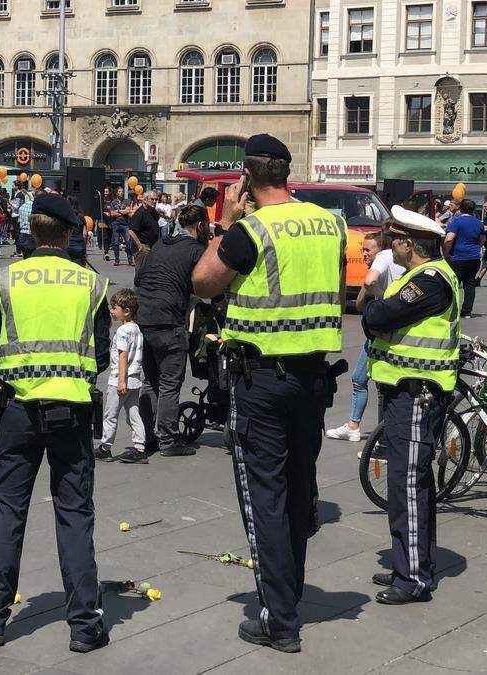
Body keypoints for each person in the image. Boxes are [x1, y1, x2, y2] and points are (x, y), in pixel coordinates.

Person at [190, 134, 345, 653]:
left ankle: (279, 619)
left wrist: (227, 222)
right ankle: (289, 597)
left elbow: (204, 283)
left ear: (248, 178)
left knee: (265, 498)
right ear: (289, 171)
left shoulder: (251, 229)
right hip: (314, 377)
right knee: (299, 491)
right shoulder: (331, 222)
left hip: (261, 379)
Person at [0, 193, 110, 653]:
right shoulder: (92, 284)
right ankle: (84, 625)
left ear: (32, 231)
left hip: (17, 410)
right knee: (74, 514)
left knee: (8, 512)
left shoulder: (5, 279)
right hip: (72, 412)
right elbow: (105, 352)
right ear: (69, 233)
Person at [363, 206, 460, 606]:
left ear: (407, 243)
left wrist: (372, 309)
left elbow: (380, 315)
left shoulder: (430, 280)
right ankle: (414, 563)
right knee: (412, 482)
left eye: (394, 240)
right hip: (410, 390)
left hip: (417, 392)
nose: (390, 246)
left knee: (408, 484)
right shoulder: (421, 276)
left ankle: (413, 577)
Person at [133, 202, 211, 457]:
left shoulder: (160, 244)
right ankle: (167, 440)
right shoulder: (196, 250)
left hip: (144, 317)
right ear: (200, 226)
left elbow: (140, 277)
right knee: (169, 383)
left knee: (150, 381)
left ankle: (148, 437)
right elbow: (207, 286)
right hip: (169, 321)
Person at [326, 231, 405, 442]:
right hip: (388, 330)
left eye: (367, 249)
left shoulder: (382, 262)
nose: (363, 253)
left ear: (380, 250)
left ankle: (382, 437)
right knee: (362, 378)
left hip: (379, 333)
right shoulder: (401, 263)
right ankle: (356, 426)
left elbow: (363, 297)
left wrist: (382, 298)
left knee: (373, 383)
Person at [97, 288, 146, 462]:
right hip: (135, 379)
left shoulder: (123, 331)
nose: (111, 311)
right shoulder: (136, 329)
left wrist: (120, 381)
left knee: (110, 415)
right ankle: (140, 448)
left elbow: (123, 355)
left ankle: (105, 447)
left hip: (121, 380)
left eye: (114, 308)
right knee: (134, 414)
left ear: (126, 311)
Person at [443, 198, 484, 317]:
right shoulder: (478, 223)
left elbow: (448, 239)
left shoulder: (456, 222)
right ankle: (466, 311)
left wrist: (446, 253)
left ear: (460, 208)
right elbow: (482, 239)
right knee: (470, 284)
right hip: (474, 257)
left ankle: (451, 310)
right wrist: (476, 247)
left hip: (458, 257)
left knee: (454, 284)